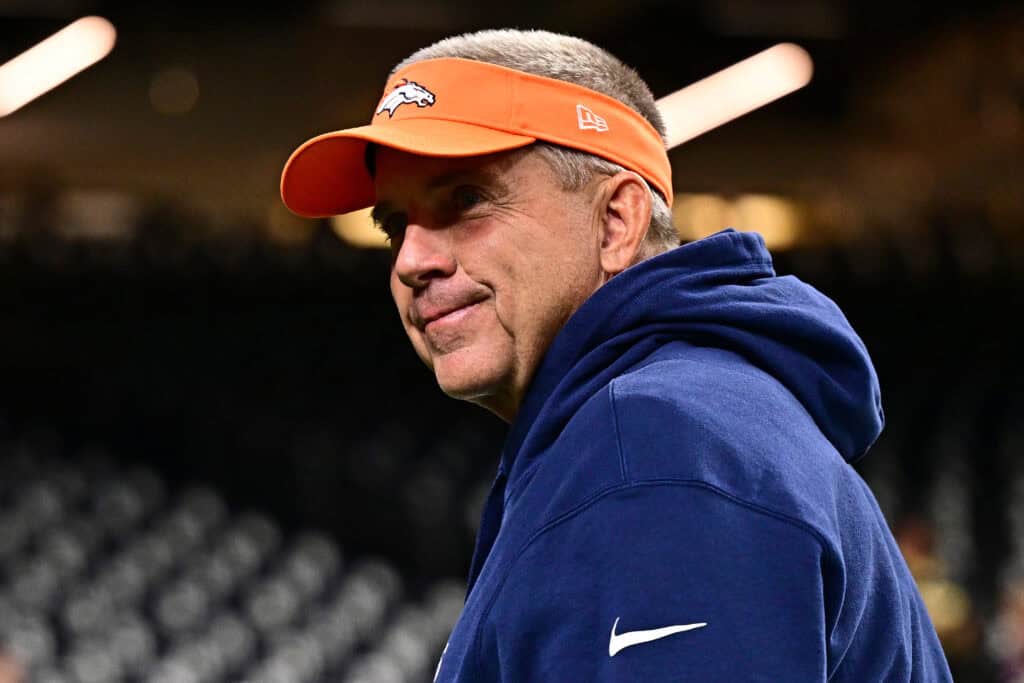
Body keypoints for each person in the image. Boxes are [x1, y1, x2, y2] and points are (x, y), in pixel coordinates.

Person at [280, 28, 953, 682]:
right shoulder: (678, 420)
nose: (412, 261)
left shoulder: (652, 449)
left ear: (616, 221)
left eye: (466, 200)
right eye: (396, 225)